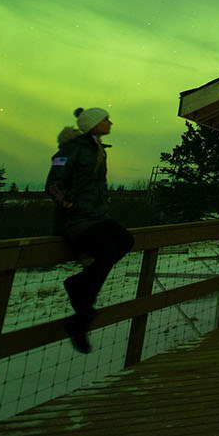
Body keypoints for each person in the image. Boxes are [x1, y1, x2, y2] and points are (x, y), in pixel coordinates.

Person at [46, 107, 134, 352]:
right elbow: (53, 183)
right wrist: (69, 205)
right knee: (107, 251)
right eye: (106, 119)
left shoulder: (96, 149)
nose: (110, 122)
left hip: (96, 216)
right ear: (94, 124)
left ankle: (79, 287)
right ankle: (82, 313)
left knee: (125, 241)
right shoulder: (70, 150)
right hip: (77, 220)